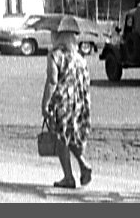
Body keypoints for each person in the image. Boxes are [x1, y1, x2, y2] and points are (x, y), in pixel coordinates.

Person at [41, 15, 93, 189]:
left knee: (61, 138)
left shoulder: (55, 56)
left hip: (62, 102)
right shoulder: (80, 58)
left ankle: (68, 177)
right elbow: (85, 82)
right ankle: (84, 165)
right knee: (72, 136)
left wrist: (45, 104)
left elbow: (52, 82)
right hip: (80, 103)